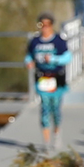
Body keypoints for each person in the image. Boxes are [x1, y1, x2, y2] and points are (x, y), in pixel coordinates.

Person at [25, 12, 71, 153]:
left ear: (51, 25)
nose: (44, 28)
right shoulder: (35, 41)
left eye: (47, 25)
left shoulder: (58, 41)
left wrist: (52, 59)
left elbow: (67, 57)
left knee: (56, 109)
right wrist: (28, 62)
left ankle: (57, 135)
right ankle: (46, 141)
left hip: (56, 78)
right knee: (44, 109)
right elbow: (29, 56)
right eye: (41, 25)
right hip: (42, 79)